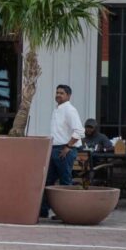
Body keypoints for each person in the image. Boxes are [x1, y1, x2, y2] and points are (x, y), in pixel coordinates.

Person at [40, 84, 85, 220]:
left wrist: (68, 147)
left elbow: (79, 131)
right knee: (48, 181)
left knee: (65, 181)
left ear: (68, 96)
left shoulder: (69, 110)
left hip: (64, 150)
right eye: (57, 92)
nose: (58, 95)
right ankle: (43, 211)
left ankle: (65, 212)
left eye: (62, 93)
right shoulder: (57, 110)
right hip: (54, 149)